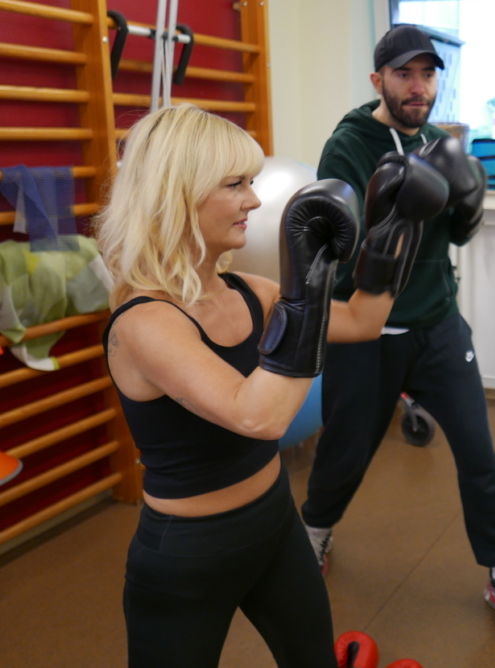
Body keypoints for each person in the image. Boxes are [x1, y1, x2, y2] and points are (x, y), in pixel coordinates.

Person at [96, 103, 446, 667]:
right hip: (189, 555)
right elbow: (259, 415)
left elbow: (363, 321)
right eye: (235, 185)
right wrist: (307, 284)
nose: (255, 202)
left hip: (276, 524)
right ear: (176, 193)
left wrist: (395, 228)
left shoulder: (246, 290)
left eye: (252, 183)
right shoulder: (145, 322)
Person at [301, 25, 495, 645]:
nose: (418, 86)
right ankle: (315, 532)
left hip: (437, 324)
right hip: (367, 328)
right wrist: (399, 202)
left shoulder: (440, 142)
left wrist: (467, 203)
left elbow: (455, 238)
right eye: (404, 74)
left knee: (480, 455)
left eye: (428, 74)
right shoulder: (348, 144)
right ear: (378, 79)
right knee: (346, 450)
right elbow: (339, 243)